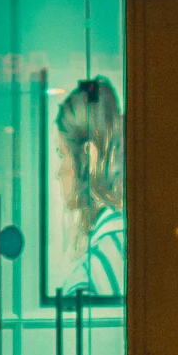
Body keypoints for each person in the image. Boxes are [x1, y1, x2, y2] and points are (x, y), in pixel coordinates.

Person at [55, 76, 125, 297]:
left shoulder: (87, 279)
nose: (58, 173)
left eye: (61, 154)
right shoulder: (132, 245)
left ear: (86, 158)